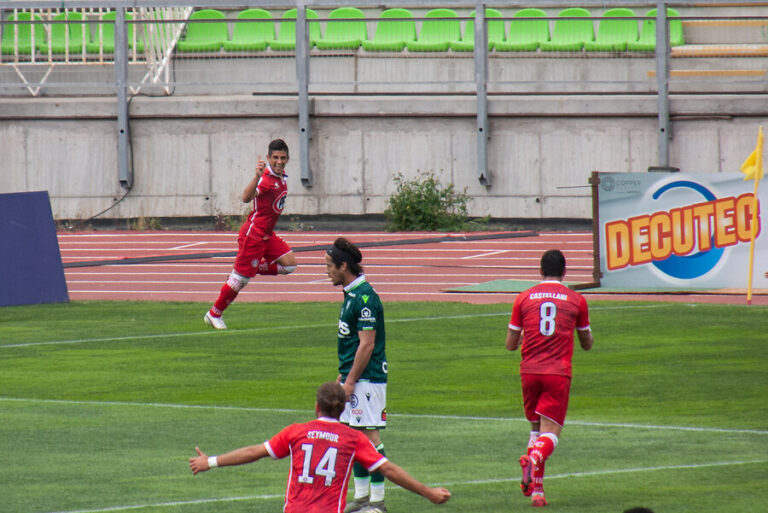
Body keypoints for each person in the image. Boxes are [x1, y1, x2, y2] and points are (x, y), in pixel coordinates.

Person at [189, 382, 451, 513]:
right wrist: (427, 492)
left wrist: (210, 461)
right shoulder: (353, 439)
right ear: (343, 409)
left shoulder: (296, 432)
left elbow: (254, 452)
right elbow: (389, 469)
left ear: (316, 407)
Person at [505, 249, 594, 508]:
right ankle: (532, 460)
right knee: (551, 433)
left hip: (529, 371)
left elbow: (510, 344)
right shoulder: (576, 300)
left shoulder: (523, 298)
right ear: (565, 272)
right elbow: (586, 343)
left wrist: (523, 338)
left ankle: (537, 491)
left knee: (536, 430)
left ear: (540, 271)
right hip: (557, 372)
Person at [204, 138, 297, 330]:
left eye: (283, 158)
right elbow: (246, 197)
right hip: (253, 235)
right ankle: (214, 313)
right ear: (268, 158)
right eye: (275, 158)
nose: (279, 161)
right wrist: (256, 176)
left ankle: (249, 267)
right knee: (240, 280)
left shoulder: (281, 177)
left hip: (267, 235)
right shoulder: (265, 179)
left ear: (288, 158)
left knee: (289, 265)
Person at [324, 238, 389, 513]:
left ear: (344, 266)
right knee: (354, 435)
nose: (327, 271)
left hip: (367, 378)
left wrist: (350, 381)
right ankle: (362, 498)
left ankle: (378, 502)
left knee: (370, 437)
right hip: (354, 376)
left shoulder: (364, 298)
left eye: (330, 266)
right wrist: (344, 375)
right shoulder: (352, 293)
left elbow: (367, 344)